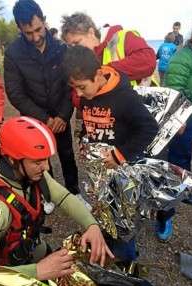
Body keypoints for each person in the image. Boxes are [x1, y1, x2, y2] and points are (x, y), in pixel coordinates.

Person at [0, 116, 114, 281]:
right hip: (4, 274)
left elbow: (63, 197)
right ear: (12, 160)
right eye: (38, 161)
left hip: (27, 250)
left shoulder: (26, 170)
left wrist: (92, 225)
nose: (46, 167)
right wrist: (37, 272)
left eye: (47, 159)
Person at [61, 45, 159, 259]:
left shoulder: (124, 97)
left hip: (123, 174)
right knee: (104, 214)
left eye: (81, 87)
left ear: (98, 75)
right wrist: (83, 139)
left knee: (123, 223)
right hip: (100, 173)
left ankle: (126, 267)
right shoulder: (88, 95)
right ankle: (111, 251)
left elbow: (149, 128)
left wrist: (120, 155)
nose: (78, 94)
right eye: (74, 89)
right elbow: (89, 123)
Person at [4, 0, 91, 212]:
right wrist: (44, 119)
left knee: (67, 154)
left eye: (38, 29)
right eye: (28, 33)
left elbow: (69, 84)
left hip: (61, 115)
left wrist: (63, 115)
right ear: (19, 28)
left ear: (44, 20)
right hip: (34, 118)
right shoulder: (13, 54)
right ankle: (46, 194)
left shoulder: (62, 48)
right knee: (38, 159)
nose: (35, 37)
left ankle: (74, 191)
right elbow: (15, 93)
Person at [155, 20, 192, 242]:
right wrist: (179, 118)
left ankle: (184, 190)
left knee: (186, 159)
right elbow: (174, 91)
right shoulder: (182, 58)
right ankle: (164, 214)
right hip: (184, 120)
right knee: (175, 163)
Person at [61, 11, 157, 106]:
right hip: (111, 113)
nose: (74, 49)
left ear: (91, 32)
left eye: (77, 42)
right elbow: (77, 96)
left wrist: (105, 73)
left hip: (144, 105)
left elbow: (148, 60)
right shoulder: (79, 59)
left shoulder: (123, 37)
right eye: (70, 46)